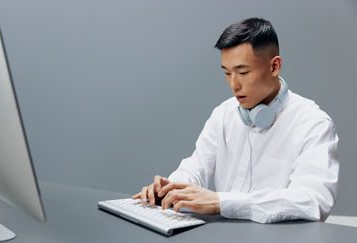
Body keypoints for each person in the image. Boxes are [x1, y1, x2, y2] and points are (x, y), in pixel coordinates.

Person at [132, 17, 339, 223]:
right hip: (223, 242)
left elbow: (314, 201)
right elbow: (195, 168)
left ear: (275, 66)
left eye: (243, 72)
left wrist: (222, 203)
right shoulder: (224, 113)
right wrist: (171, 189)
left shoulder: (313, 123)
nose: (234, 85)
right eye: (227, 73)